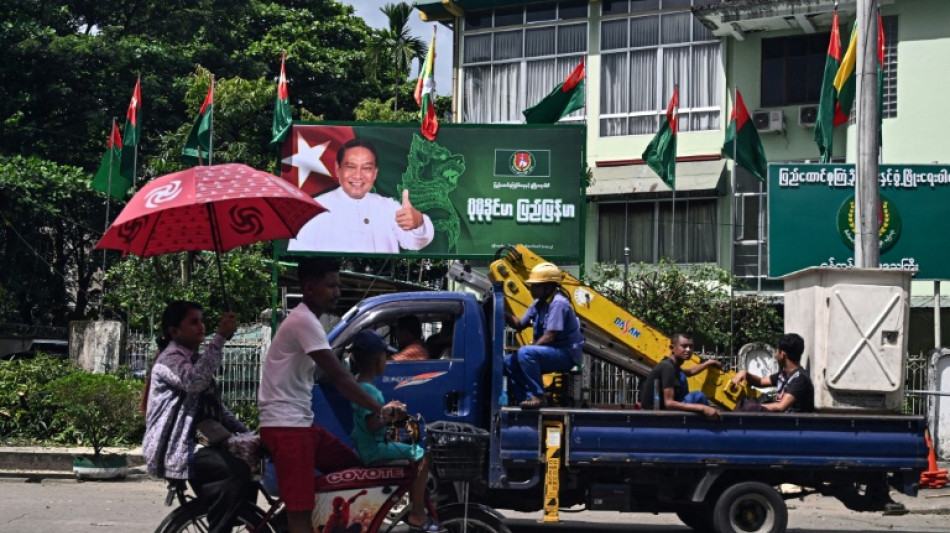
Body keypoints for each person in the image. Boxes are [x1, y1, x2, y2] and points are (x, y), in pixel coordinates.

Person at [257, 257, 408, 533]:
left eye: (338, 285)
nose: (337, 292)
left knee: (354, 471)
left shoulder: (308, 321)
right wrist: (380, 409)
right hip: (287, 427)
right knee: (300, 511)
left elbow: (334, 373)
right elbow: (339, 377)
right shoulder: (304, 321)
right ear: (310, 287)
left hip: (299, 424)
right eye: (331, 286)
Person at [143, 301, 253, 533]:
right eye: (193, 322)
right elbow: (194, 382)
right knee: (237, 471)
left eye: (201, 321)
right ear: (174, 331)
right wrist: (220, 338)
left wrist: (247, 433)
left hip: (201, 445)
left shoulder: (193, 358)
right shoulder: (169, 359)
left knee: (252, 464)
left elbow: (215, 407)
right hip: (177, 449)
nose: (201, 326)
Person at [349, 329, 444, 533]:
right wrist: (389, 415)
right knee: (422, 456)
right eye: (385, 357)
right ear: (377, 361)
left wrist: (389, 410)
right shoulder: (368, 390)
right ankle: (417, 513)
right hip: (374, 449)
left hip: (369, 446)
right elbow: (372, 424)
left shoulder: (361, 385)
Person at [288, 138, 434, 253]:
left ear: (375, 173)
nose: (358, 175)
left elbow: (415, 242)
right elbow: (298, 259)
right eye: (351, 167)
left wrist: (419, 222)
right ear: (338, 169)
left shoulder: (389, 208)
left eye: (366, 168)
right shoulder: (312, 210)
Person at [504, 262, 584, 409]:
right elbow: (519, 324)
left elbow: (551, 335)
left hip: (565, 354)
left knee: (525, 353)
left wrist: (528, 351)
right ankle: (527, 400)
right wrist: (500, 310)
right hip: (549, 352)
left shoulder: (558, 304)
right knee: (507, 362)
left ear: (548, 287)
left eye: (535, 286)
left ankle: (539, 396)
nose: (531, 289)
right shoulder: (538, 303)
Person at [639, 332, 721, 420]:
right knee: (698, 396)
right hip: (658, 418)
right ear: (672, 348)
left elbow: (690, 371)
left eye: (691, 346)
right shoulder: (668, 367)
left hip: (660, 412)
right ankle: (711, 423)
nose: (688, 350)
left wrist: (708, 363)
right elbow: (669, 403)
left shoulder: (672, 366)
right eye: (684, 346)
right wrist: (704, 408)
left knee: (681, 375)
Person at [730, 333, 815, 413]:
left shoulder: (800, 379)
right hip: (783, 423)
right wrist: (745, 373)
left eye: (777, 351)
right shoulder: (783, 374)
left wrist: (753, 407)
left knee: (749, 406)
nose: (775, 354)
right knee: (748, 402)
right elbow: (761, 381)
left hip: (793, 425)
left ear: (782, 354)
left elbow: (781, 407)